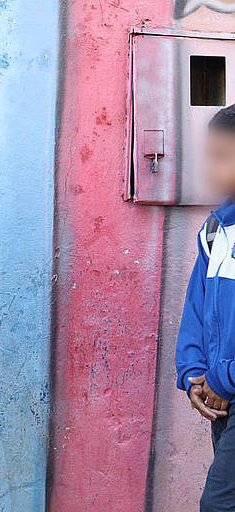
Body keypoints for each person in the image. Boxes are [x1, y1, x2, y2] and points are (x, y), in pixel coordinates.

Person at [177, 103, 235, 511]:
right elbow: (196, 306)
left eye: (223, 157)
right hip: (222, 393)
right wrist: (195, 372)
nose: (211, 168)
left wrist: (223, 378)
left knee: (218, 503)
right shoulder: (215, 229)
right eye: (209, 156)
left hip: (227, 385)